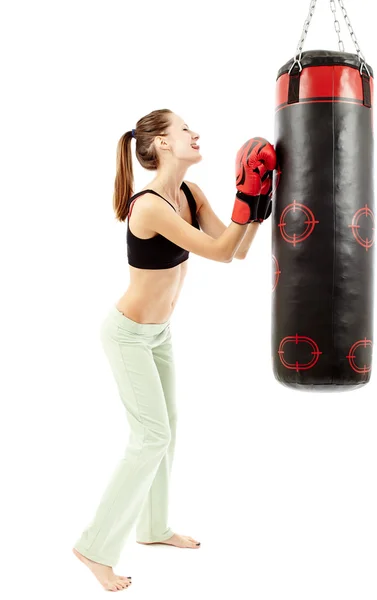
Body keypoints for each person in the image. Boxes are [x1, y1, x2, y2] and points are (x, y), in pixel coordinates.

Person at [72, 108, 276, 591]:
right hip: (126, 336)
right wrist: (246, 196)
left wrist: (258, 205)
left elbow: (236, 249)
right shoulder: (149, 206)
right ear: (162, 144)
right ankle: (94, 547)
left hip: (159, 334)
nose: (195, 133)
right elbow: (223, 249)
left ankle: (153, 527)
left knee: (168, 429)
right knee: (151, 437)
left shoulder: (188, 192)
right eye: (185, 129)